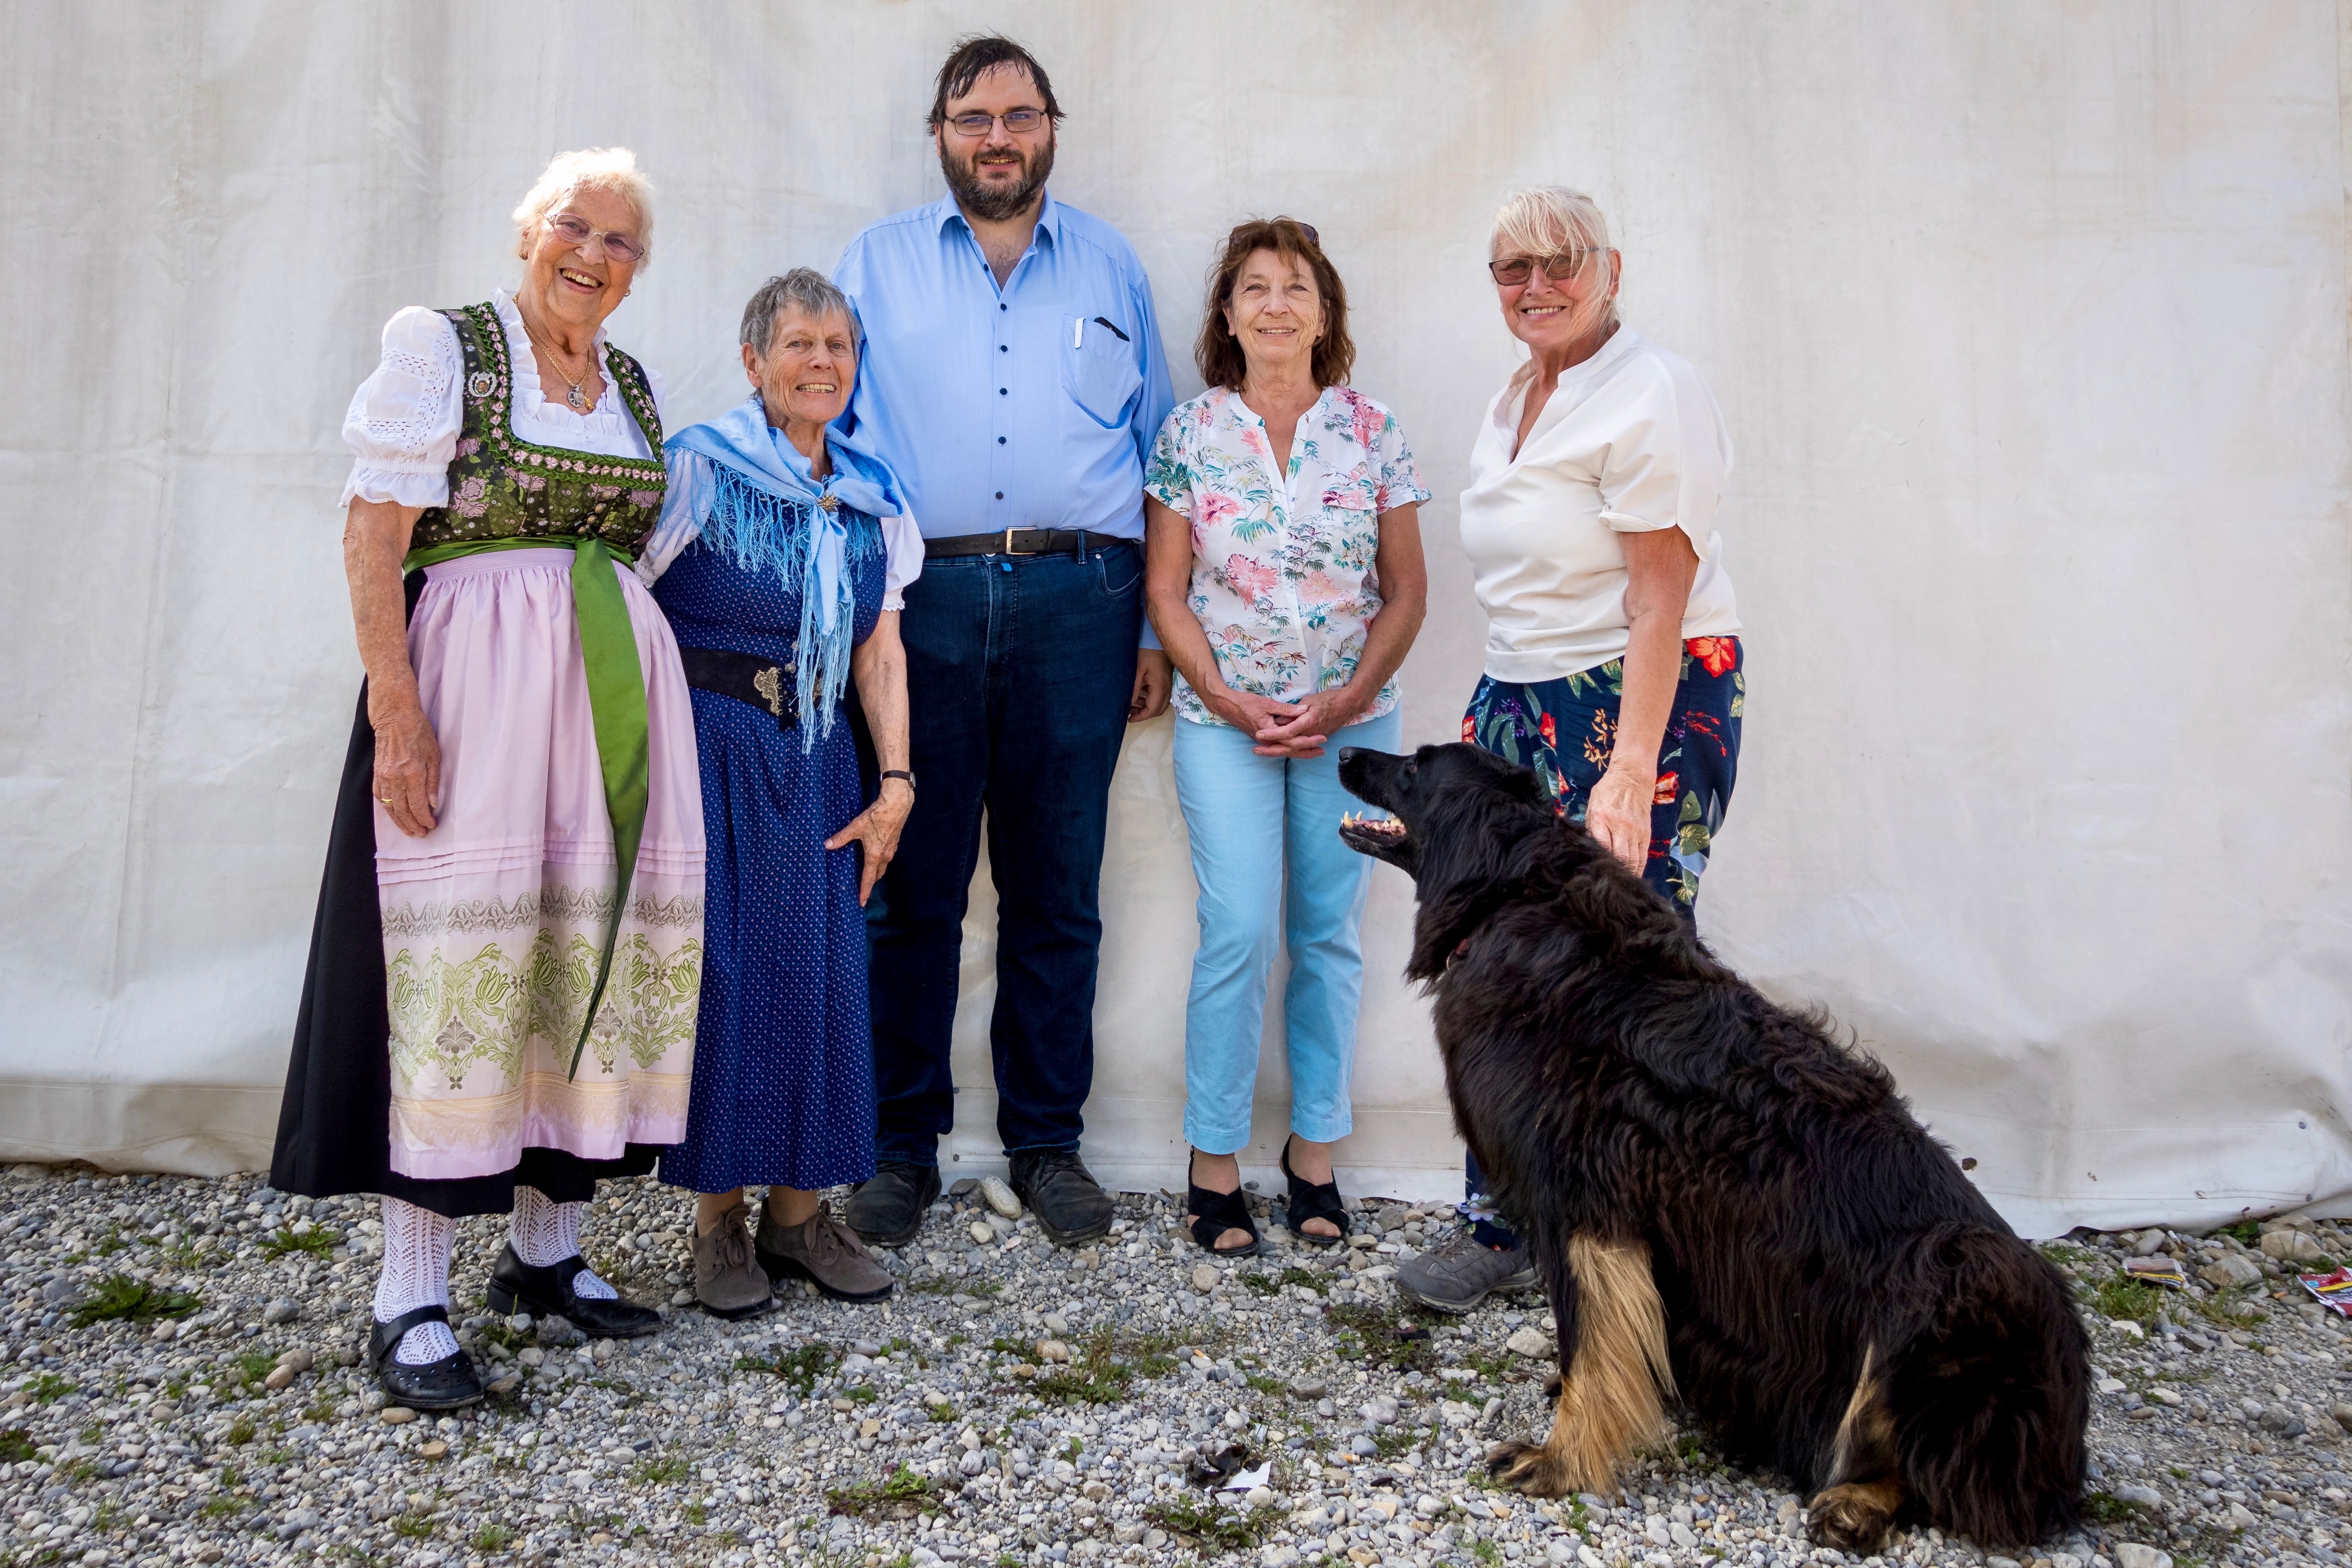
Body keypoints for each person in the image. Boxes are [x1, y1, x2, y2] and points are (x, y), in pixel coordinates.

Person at [271, 148, 699, 1406]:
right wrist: (397, 712)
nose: (595, 254)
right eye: (575, 225)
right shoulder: (444, 347)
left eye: (622, 241)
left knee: (578, 950)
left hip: (605, 706)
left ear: (638, 270)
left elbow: (645, 554)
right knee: (462, 961)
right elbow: (374, 533)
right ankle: (408, 1294)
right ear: (528, 232)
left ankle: (545, 1250)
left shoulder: (632, 384)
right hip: (473, 694)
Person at [832, 34, 1176, 1250]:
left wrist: (1153, 626)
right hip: (919, 599)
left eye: (1019, 115)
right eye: (973, 117)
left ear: (1051, 130)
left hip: (1083, 601)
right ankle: (898, 1147)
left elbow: (1157, 449)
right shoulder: (872, 265)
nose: (997, 137)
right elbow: (830, 436)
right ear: (940, 133)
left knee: (1057, 889)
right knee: (910, 888)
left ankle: (1047, 1142)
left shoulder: (1111, 265)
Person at [1395, 185, 1743, 1316]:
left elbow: (1658, 601)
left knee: (1630, 968)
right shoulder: (1519, 393)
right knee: (1490, 955)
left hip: (1636, 693)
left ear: (1612, 270)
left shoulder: (1652, 390)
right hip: (1520, 690)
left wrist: (1631, 769)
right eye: (1514, 267)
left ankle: (1659, 1249)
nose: (1537, 284)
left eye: (1562, 262)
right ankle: (1502, 1222)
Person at [637, 270, 921, 1317]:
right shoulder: (697, 470)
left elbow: (879, 651)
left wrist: (896, 781)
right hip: (708, 755)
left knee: (822, 975)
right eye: (799, 344)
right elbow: (624, 608)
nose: (820, 363)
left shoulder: (874, 496)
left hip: (820, 762)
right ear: (754, 360)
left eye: (838, 347)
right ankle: (717, 1221)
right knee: (722, 975)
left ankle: (798, 1218)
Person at [1142, 219, 1428, 1255]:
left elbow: (1407, 592)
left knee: (1328, 934)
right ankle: (1213, 1160)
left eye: (1296, 287)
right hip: (1227, 724)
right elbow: (1166, 591)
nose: (1275, 304)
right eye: (1255, 287)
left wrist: (1347, 700)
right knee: (1238, 931)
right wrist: (1223, 695)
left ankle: (1315, 1155)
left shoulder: (1373, 430)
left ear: (1324, 312)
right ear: (1227, 315)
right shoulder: (1189, 434)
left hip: (1353, 729)